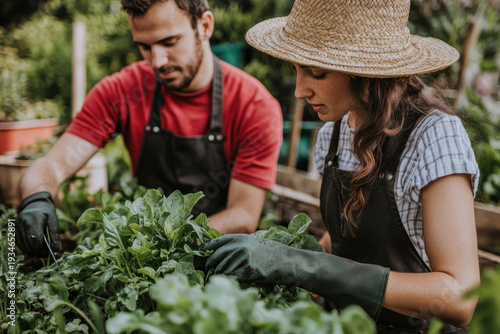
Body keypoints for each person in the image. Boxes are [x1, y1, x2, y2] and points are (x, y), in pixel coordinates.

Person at [200, 0, 480, 333]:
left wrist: (306, 265)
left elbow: (459, 299)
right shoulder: (335, 132)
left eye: (317, 73)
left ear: (365, 71)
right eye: (296, 69)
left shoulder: (432, 136)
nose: (300, 90)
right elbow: (348, 236)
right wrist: (278, 258)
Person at [15, 0, 282, 257]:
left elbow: (243, 215)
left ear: (204, 26)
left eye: (169, 42)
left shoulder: (253, 106)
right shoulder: (121, 91)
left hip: (218, 255)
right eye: (144, 46)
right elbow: (54, 164)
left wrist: (162, 245)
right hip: (141, 255)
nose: (158, 61)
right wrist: (36, 197)